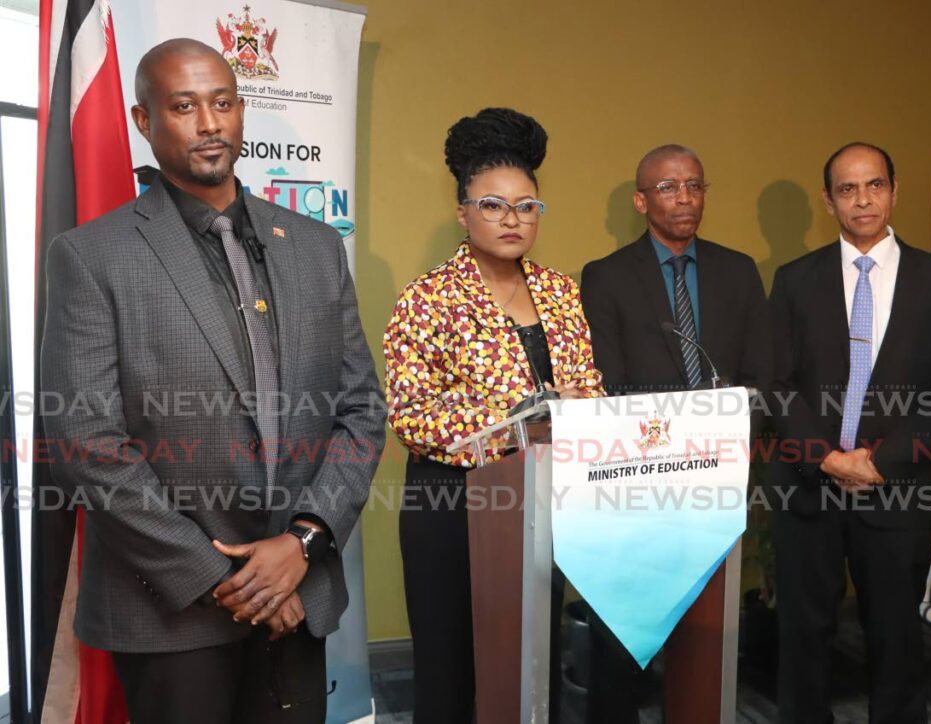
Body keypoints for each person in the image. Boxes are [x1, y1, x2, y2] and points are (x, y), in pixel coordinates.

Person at [39, 38, 385, 723]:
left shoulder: (315, 246)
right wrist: (228, 579)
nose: (209, 123)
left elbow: (361, 409)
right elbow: (87, 442)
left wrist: (303, 543)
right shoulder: (91, 255)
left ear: (241, 111)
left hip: (299, 593)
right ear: (144, 121)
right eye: (184, 106)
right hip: (169, 613)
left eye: (222, 103)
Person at [383, 107, 603, 724]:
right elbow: (413, 414)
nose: (513, 220)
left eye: (527, 206)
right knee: (449, 671)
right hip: (452, 505)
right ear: (463, 212)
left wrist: (581, 413)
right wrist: (524, 421)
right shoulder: (427, 297)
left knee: (533, 660)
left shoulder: (560, 290)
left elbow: (587, 385)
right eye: (494, 205)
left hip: (540, 503)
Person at [768, 142, 931, 723]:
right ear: (828, 200)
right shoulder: (793, 281)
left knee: (895, 634)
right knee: (804, 632)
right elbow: (776, 385)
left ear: (893, 189)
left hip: (897, 484)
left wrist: (879, 462)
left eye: (875, 185)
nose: (863, 200)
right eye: (847, 189)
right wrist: (828, 459)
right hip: (807, 485)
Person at [578, 144, 769, 723]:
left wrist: (727, 448)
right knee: (625, 642)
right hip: (640, 486)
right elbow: (607, 390)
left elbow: (761, 376)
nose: (684, 197)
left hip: (719, 481)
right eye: (667, 187)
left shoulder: (738, 271)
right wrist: (672, 453)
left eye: (694, 185)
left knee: (705, 639)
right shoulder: (605, 277)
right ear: (641, 200)